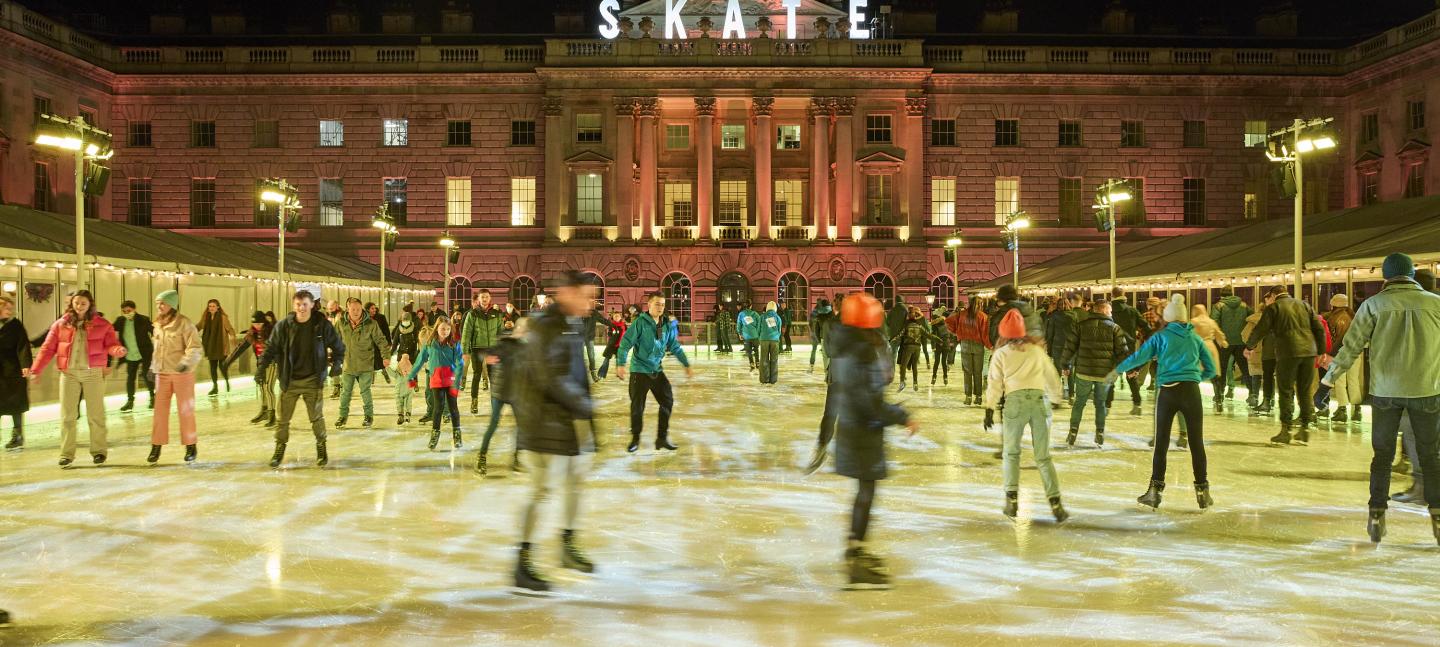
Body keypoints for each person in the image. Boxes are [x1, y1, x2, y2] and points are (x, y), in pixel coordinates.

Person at [1317, 253, 1440, 544]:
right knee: (1431, 457)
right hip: (1427, 389)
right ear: (1411, 275)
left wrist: (1326, 383)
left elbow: (1351, 348)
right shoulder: (1436, 304)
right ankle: (1437, 515)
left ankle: (1376, 513)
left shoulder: (1373, 305)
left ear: (1385, 277)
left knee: (1382, 457)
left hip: (1386, 392)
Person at [821, 292, 917, 590]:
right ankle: (855, 555)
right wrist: (902, 416)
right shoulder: (861, 350)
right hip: (863, 431)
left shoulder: (847, 345)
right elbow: (870, 402)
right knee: (866, 492)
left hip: (854, 429)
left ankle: (856, 549)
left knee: (865, 491)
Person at [511, 270, 599, 592]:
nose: (592, 303)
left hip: (565, 422)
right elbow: (549, 378)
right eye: (586, 296)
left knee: (575, 482)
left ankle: (566, 546)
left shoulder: (570, 326)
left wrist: (587, 422)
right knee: (540, 491)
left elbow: (578, 375)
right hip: (541, 424)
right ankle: (521, 562)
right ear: (567, 293)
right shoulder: (545, 327)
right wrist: (584, 407)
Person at [1111, 294, 1217, 510]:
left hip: (1168, 393)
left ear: (1167, 318)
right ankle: (1202, 491)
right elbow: (1212, 369)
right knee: (1196, 443)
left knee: (1161, 443)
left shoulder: (1161, 337)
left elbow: (1140, 356)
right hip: (1191, 392)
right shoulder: (1195, 338)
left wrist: (1118, 369)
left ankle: (1155, 491)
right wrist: (1195, 378)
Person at [983, 307, 1068, 523]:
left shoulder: (1001, 354)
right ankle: (1055, 502)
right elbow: (1052, 375)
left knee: (1011, 454)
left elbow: (994, 382)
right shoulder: (1037, 351)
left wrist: (989, 408)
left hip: (1015, 403)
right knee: (1043, 456)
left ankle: (1012, 501)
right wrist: (1056, 398)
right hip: (1040, 402)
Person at [258, 290, 345, 469]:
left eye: (305, 304)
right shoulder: (284, 326)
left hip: (313, 380)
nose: (302, 308)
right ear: (293, 306)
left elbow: (338, 346)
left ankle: (321, 447)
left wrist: (337, 364)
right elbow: (271, 347)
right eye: (298, 305)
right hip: (289, 381)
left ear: (312, 305)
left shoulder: (321, 325)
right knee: (283, 419)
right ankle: (279, 448)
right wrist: (261, 368)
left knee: (316, 418)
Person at [1245, 286, 1325, 446]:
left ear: (1274, 295)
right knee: (1304, 390)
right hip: (1309, 352)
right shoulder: (1304, 305)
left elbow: (1261, 328)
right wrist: (1321, 351)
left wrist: (1249, 346)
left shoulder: (1273, 307)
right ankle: (1304, 429)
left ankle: (1286, 430)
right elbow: (1319, 328)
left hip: (1288, 352)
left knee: (1286, 390)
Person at [616, 292, 694, 453]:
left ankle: (662, 438)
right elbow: (625, 343)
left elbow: (674, 346)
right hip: (639, 371)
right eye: (657, 304)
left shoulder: (665, 324)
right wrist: (621, 364)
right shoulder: (640, 323)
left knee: (667, 401)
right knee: (637, 407)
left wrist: (686, 363)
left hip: (656, 370)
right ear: (649, 305)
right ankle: (635, 438)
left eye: (663, 304)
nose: (660, 307)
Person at [1060, 298, 1129, 447]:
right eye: (1110, 310)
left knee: (1079, 403)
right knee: (1100, 404)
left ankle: (1073, 431)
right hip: (1104, 374)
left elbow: (1069, 346)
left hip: (1084, 371)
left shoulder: (1081, 326)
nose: (1111, 313)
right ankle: (1100, 432)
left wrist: (1065, 364)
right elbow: (1122, 352)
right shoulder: (1115, 328)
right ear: (1103, 310)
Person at [146, 290, 203, 464]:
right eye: (157, 303)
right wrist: (152, 367)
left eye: (162, 303)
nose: (159, 306)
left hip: (182, 374)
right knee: (159, 412)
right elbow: (158, 350)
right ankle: (156, 445)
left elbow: (195, 347)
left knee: (186, 411)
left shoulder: (184, 324)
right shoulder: (157, 324)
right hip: (162, 374)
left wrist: (187, 362)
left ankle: (190, 445)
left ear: (172, 304)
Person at [478, 318, 529, 476]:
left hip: (516, 392)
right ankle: (482, 457)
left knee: (521, 426)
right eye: (524, 329)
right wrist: (486, 358)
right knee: (493, 424)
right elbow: (483, 353)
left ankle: (517, 458)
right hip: (500, 391)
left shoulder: (526, 347)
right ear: (518, 329)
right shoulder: (505, 343)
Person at [407, 315, 465, 451]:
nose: (445, 331)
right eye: (442, 329)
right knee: (438, 408)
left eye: (447, 329)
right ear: (437, 328)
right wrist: (411, 376)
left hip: (450, 380)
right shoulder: (429, 344)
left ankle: (457, 433)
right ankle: (435, 434)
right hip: (436, 380)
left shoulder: (454, 344)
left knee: (453, 408)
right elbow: (419, 361)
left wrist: (457, 381)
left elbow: (460, 363)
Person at [335, 297, 391, 429]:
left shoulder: (371, 324)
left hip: (366, 364)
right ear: (348, 309)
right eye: (353, 309)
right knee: (345, 392)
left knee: (365, 391)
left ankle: (368, 416)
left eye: (358, 309)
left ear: (362, 309)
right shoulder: (341, 323)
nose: (355, 312)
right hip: (348, 364)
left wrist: (386, 356)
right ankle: (342, 416)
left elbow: (381, 341)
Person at [1320, 294, 1363, 423]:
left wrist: (1331, 353)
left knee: (1339, 381)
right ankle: (1357, 410)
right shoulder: (1353, 316)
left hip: (1341, 354)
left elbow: (1337, 339)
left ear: (1333, 305)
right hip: (1356, 353)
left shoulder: (1336, 318)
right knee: (1353, 380)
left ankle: (1342, 409)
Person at [461, 290, 504, 412]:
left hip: (492, 350)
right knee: (477, 375)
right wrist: (465, 351)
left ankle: (495, 403)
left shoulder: (497, 314)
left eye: (486, 297)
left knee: (493, 377)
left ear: (490, 298)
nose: (484, 299)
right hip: (477, 349)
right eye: (482, 297)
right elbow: (466, 333)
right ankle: (474, 402)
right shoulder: (473, 314)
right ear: (478, 299)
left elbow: (501, 334)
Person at [1108, 290, 1148, 415]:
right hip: (1128, 348)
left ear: (1112, 296)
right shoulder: (1132, 311)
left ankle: (1107, 406)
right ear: (1123, 295)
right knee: (1131, 377)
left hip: (1112, 348)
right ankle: (1137, 404)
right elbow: (1146, 327)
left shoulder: (1108, 311)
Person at [0, 296, 32, 450]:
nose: (10, 312)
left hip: (13, 371)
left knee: (16, 405)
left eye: (11, 309)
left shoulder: (15, 325)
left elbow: (23, 345)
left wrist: (25, 365)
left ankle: (17, 436)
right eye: (7, 308)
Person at [113, 300, 154, 412]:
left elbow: (154, 331)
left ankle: (153, 397)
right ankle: (130, 402)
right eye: (124, 311)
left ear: (134, 309)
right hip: (130, 354)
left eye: (129, 311)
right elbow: (109, 329)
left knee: (147, 375)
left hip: (144, 352)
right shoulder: (120, 321)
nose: (127, 313)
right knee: (130, 378)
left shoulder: (143, 319)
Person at [1211, 288, 1252, 402]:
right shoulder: (1244, 305)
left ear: (1221, 295)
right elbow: (1252, 319)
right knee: (1245, 369)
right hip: (1241, 342)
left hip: (1224, 343)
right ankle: (1252, 394)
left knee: (1222, 369)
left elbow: (1214, 323)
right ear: (1232, 294)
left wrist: (1219, 338)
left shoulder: (1218, 306)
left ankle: (1219, 395)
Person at [948, 298, 991, 406]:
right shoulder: (983, 316)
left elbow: (948, 322)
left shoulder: (961, 314)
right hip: (978, 346)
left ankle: (968, 397)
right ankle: (978, 397)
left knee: (967, 372)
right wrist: (990, 346)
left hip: (965, 345)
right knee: (978, 372)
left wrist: (957, 332)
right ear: (980, 304)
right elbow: (985, 334)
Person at [1189, 304, 1228, 413]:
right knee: (1214, 376)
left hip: (1198, 348)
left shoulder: (1193, 321)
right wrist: (1223, 342)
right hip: (1211, 347)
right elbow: (1219, 334)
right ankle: (1219, 400)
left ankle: (1192, 400)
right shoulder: (1211, 321)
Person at [890, 306, 937, 392]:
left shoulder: (906, 324)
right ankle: (915, 383)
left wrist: (892, 339)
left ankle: (902, 382)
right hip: (917, 347)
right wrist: (939, 340)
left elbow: (900, 334)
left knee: (903, 365)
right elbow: (929, 334)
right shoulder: (919, 324)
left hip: (908, 347)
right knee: (914, 366)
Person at [1044, 295, 1079, 402]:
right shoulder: (1074, 315)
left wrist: (1049, 350)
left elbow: (1050, 334)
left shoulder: (1054, 316)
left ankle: (1057, 396)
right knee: (1070, 371)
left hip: (1057, 346)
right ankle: (1071, 396)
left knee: (1057, 372)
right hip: (1070, 347)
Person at [197, 299, 235, 397]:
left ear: (218, 307)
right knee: (213, 368)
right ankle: (215, 387)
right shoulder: (206, 318)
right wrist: (189, 330)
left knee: (222, 367)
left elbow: (230, 329)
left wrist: (232, 336)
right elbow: (199, 326)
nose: (211, 308)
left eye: (213, 306)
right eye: (210, 306)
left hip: (221, 346)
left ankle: (226, 380)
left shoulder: (223, 318)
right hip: (210, 347)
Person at [1242, 302, 1275, 412]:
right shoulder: (1274, 319)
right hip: (1270, 351)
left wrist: (1249, 345)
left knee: (1256, 375)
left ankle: (1254, 397)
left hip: (1255, 351)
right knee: (1269, 376)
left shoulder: (1252, 321)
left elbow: (1245, 335)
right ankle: (1271, 399)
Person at [389, 311, 420, 426]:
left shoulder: (414, 328)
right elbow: (395, 341)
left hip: (411, 354)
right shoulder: (399, 329)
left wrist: (419, 352)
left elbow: (418, 341)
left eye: (407, 319)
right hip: (401, 354)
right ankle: (400, 385)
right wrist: (391, 352)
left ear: (410, 320)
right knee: (400, 372)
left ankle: (413, 384)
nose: (405, 321)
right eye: (404, 320)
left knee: (412, 371)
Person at [756, 301, 784, 384]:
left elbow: (758, 329)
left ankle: (764, 379)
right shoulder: (778, 318)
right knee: (774, 360)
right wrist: (775, 336)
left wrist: (759, 336)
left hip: (764, 339)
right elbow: (779, 330)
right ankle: (773, 379)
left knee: (764, 359)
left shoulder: (762, 317)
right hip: (774, 340)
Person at [928, 306, 957, 386]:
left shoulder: (935, 325)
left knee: (936, 362)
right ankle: (945, 377)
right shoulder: (947, 324)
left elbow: (933, 337)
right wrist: (950, 342)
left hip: (938, 344)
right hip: (946, 344)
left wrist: (933, 347)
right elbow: (951, 334)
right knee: (944, 362)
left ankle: (934, 377)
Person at [595, 310, 627, 379]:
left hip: (620, 346)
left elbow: (627, 334)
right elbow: (609, 334)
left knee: (619, 360)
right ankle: (601, 374)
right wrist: (613, 333)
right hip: (611, 345)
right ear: (613, 317)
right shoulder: (611, 325)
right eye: (615, 316)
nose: (616, 317)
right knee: (606, 360)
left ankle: (619, 373)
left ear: (620, 317)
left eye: (617, 316)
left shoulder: (624, 325)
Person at [809, 298, 833, 372]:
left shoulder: (817, 313)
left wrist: (818, 337)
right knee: (830, 355)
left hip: (820, 335)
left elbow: (812, 324)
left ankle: (813, 365)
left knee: (820, 353)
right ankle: (830, 372)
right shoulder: (831, 313)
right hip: (830, 337)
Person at [737, 302, 760, 372]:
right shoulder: (755, 314)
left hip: (746, 335)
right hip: (755, 335)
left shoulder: (741, 314)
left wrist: (739, 333)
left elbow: (739, 324)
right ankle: (757, 363)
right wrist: (758, 333)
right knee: (756, 349)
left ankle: (751, 363)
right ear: (751, 306)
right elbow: (759, 324)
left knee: (749, 351)